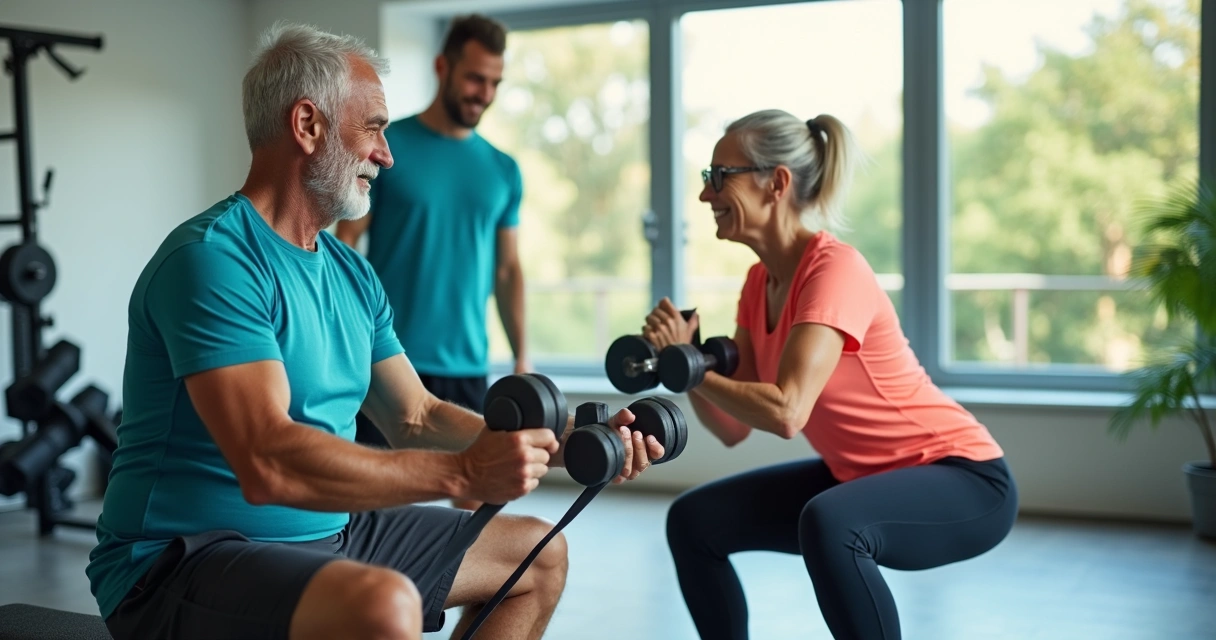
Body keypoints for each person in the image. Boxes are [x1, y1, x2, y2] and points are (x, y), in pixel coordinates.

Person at [86, 23, 662, 640]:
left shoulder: (351, 273)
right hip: (184, 558)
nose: (387, 154)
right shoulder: (213, 261)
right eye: (374, 129)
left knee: (538, 555)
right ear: (307, 126)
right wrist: (464, 474)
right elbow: (266, 461)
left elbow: (416, 415)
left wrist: (567, 436)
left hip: (327, 532)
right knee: (383, 605)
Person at [643, 109, 1018, 640]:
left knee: (830, 522)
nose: (707, 195)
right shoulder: (759, 282)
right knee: (693, 521)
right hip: (862, 476)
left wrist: (692, 367)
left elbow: (786, 410)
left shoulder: (833, 269)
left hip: (966, 477)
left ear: (776, 183)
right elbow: (733, 428)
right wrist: (686, 364)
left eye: (720, 176)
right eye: (708, 178)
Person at [335, 15, 524, 512]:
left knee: (476, 516)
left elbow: (507, 271)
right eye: (474, 78)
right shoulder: (387, 147)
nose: (483, 92)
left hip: (467, 365)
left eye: (494, 83)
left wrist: (522, 355)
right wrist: (348, 330)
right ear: (443, 66)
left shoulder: (503, 170)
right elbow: (346, 239)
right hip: (389, 361)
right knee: (373, 514)